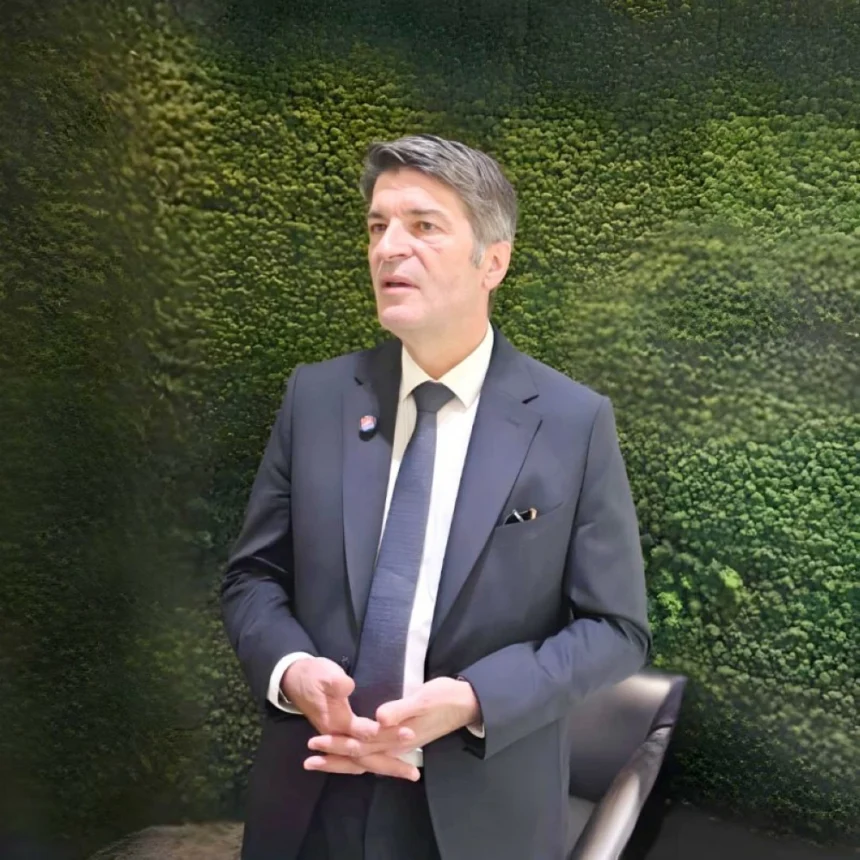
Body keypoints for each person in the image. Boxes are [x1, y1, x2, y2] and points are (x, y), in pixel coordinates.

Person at [220, 133, 651, 860]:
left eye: (423, 226)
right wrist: (291, 670)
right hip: (315, 788)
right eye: (377, 226)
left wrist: (476, 698)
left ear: (494, 262)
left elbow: (616, 628)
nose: (389, 248)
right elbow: (253, 577)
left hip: (479, 806)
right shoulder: (317, 398)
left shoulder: (571, 423)